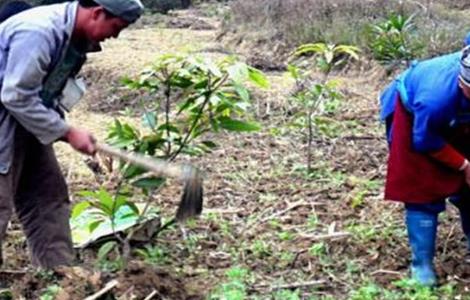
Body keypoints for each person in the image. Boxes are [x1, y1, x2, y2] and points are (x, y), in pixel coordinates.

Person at [0, 0, 144, 268]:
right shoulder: (38, 31)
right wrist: (66, 132)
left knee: (47, 196)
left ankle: (62, 275)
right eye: (117, 27)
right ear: (98, 12)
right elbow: (15, 95)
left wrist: (60, 124)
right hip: (7, 119)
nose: (115, 35)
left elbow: (47, 90)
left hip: (27, 122)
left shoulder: (74, 40)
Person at [380, 46, 470, 286]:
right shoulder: (435, 99)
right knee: (421, 187)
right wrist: (463, 165)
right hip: (414, 117)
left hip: (460, 117)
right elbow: (425, 140)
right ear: (464, 85)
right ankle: (422, 264)